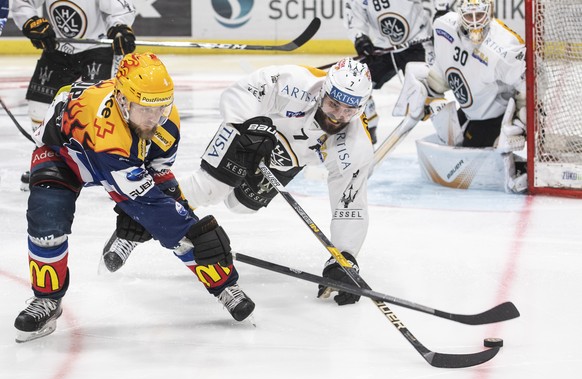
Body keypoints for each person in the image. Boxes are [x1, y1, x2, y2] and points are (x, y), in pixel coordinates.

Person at [14, 52, 254, 344]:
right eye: (145, 109)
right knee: (47, 219)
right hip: (64, 155)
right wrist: (193, 230)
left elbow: (157, 169)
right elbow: (145, 201)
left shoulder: (166, 120)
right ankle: (47, 300)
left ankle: (225, 286)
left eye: (161, 108)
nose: (154, 118)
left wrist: (177, 215)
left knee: (175, 211)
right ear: (122, 101)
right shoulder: (105, 131)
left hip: (121, 163)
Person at [104, 57, 375, 306]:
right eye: (332, 104)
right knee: (210, 188)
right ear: (323, 93)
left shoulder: (355, 148)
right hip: (249, 132)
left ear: (361, 108)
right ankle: (134, 227)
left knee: (241, 205)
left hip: (286, 159)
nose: (336, 116)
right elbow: (240, 91)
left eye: (347, 111)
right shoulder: (293, 82)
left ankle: (153, 218)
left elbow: (349, 204)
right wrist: (249, 127)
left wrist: (344, 258)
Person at [392, 0, 527, 193]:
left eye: (479, 16)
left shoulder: (503, 47)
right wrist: (429, 90)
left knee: (472, 161)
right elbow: (442, 70)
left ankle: (518, 165)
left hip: (495, 118)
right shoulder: (444, 27)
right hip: (468, 111)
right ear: (460, 13)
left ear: (489, 13)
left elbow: (529, 84)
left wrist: (520, 122)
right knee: (451, 144)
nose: (474, 23)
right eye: (469, 16)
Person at [11, 0, 137, 190]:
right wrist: (31, 22)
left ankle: (106, 163)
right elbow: (23, 2)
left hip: (96, 47)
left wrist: (119, 27)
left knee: (99, 109)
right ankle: (44, 159)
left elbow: (119, 8)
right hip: (58, 47)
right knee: (39, 106)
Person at [344, 0, 433, 144]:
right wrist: (360, 38)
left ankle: (451, 135)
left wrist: (442, 15)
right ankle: (368, 128)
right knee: (355, 83)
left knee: (431, 95)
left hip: (417, 44)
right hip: (382, 48)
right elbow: (355, 17)